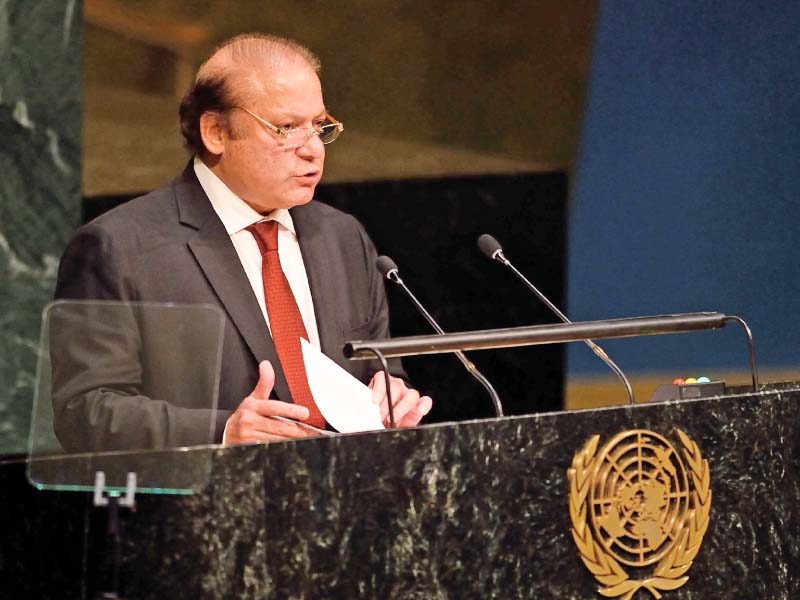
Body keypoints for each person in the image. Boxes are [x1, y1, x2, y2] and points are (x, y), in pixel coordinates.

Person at [52, 33, 431, 451]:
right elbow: (84, 412)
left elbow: (382, 371)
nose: (313, 151)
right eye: (286, 128)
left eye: (320, 126)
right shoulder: (119, 248)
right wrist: (222, 432)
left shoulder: (342, 237)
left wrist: (394, 393)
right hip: (210, 504)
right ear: (216, 131)